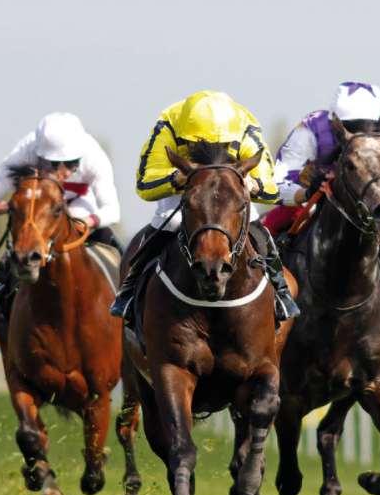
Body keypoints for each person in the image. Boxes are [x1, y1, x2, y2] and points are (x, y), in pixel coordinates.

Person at [110, 90, 300, 322]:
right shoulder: (168, 124)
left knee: (254, 225)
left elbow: (272, 189)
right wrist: (175, 179)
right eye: (202, 144)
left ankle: (280, 290)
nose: (212, 149)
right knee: (168, 221)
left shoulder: (245, 126)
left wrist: (254, 185)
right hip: (188, 189)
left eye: (220, 144)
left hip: (229, 193)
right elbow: (144, 183)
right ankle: (129, 291)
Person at [264, 81, 380, 298]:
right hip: (309, 200)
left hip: (360, 206)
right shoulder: (309, 130)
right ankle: (265, 269)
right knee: (273, 222)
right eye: (353, 127)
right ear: (335, 121)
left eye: (370, 128)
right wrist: (305, 193)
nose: (363, 136)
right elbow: (274, 185)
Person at [0, 112, 122, 320]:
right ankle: (2, 302)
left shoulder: (94, 156)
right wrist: (12, 207)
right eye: (52, 163)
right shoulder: (25, 151)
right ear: (40, 154)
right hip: (38, 214)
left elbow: (112, 210)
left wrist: (86, 222)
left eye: (71, 163)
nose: (62, 172)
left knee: (119, 251)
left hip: (79, 207)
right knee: (17, 251)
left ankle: (129, 294)